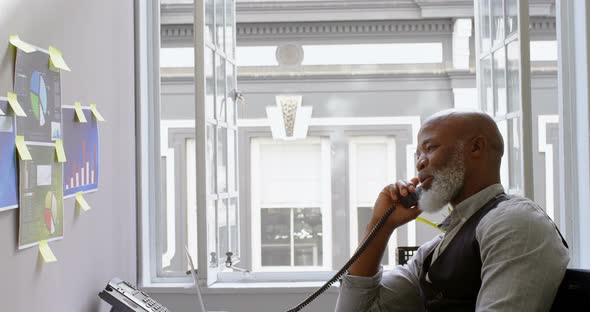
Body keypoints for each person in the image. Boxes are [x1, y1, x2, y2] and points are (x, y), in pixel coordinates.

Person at [335, 110, 569, 312]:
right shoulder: (436, 249)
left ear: (476, 147)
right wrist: (381, 225)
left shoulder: (514, 222)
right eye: (418, 154)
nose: (419, 163)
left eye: (430, 148)